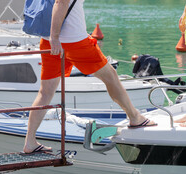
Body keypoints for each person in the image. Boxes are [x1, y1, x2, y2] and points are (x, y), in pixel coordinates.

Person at [23, 0, 156, 154]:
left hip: (48, 41)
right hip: (74, 41)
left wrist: (53, 38)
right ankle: (135, 118)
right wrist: (55, 36)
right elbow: (61, 2)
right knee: (110, 77)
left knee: (45, 92)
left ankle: (30, 142)